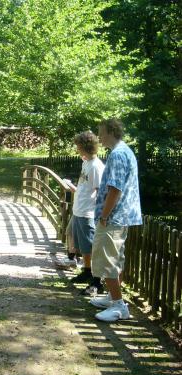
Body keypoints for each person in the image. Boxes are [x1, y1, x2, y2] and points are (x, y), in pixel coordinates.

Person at [90, 118, 142, 321]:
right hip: (122, 216)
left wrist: (104, 214)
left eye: (101, 132)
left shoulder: (118, 154)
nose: (99, 137)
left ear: (111, 132)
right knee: (117, 259)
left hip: (113, 217)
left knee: (108, 261)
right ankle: (113, 297)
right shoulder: (124, 151)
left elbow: (115, 189)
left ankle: (119, 306)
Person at [68, 131, 105, 294]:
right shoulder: (86, 162)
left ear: (84, 146)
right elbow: (86, 186)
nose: (76, 149)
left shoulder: (96, 166)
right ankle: (87, 271)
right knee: (83, 245)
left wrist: (99, 214)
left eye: (78, 146)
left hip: (88, 212)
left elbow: (100, 192)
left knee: (90, 246)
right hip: (79, 209)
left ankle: (97, 281)